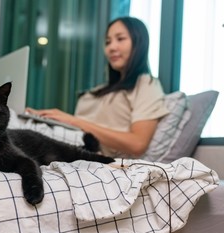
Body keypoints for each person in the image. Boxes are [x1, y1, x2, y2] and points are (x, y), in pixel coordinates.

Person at [27, 16, 169, 159]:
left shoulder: (146, 84)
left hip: (88, 151)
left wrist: (73, 121)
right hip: (66, 139)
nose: (111, 47)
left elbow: (137, 144)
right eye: (108, 42)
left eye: (120, 39)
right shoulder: (100, 90)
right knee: (20, 120)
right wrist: (46, 118)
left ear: (139, 43)